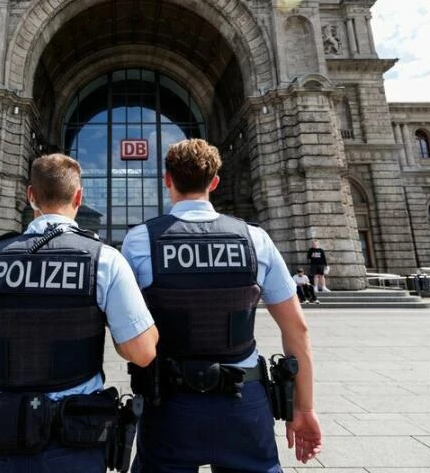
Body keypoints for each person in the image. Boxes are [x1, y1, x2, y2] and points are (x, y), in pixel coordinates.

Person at [0, 153, 158, 473]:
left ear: (30, 196)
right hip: (74, 442)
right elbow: (142, 353)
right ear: (79, 197)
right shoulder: (104, 259)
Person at [122, 138, 322, 471]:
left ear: (167, 179)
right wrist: (303, 408)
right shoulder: (253, 238)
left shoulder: (140, 239)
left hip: (169, 404)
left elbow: (129, 332)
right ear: (214, 182)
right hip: (244, 402)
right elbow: (297, 328)